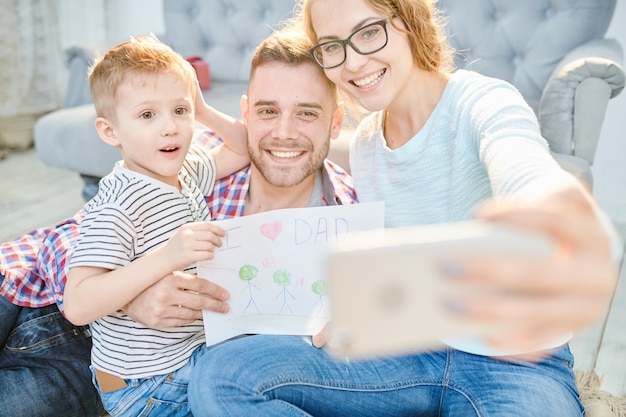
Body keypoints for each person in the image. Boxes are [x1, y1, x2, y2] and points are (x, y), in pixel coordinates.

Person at [185, 1, 621, 416]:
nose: (353, 62)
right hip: (403, 353)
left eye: (369, 32)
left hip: (514, 361)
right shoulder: (367, 144)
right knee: (222, 377)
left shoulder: (481, 101)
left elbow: (523, 165)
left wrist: (550, 206)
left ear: (408, 20)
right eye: (333, 45)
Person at [0, 29, 354, 416]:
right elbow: (66, 246)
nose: (283, 132)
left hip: (138, 372)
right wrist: (136, 294)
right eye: (268, 111)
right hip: (29, 294)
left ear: (335, 122)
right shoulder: (157, 169)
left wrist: (196, 105)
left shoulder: (189, 168)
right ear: (248, 113)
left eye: (306, 112)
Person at [58, 34, 254, 416]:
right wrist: (169, 256)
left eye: (179, 111)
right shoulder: (119, 202)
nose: (171, 128)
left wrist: (203, 109)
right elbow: (77, 304)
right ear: (110, 131)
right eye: (148, 115)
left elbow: (243, 147)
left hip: (185, 358)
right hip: (145, 385)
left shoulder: (187, 168)